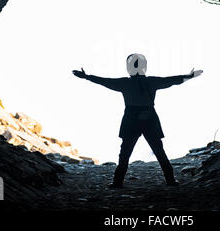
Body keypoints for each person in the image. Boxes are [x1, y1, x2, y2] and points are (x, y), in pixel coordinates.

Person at [72, 53, 203, 188]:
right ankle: (170, 180)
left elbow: (105, 81)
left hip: (131, 119)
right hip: (150, 118)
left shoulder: (125, 83)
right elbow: (171, 80)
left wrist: (87, 77)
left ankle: (118, 182)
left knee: (125, 152)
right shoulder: (151, 81)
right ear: (144, 66)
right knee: (158, 150)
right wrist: (189, 76)